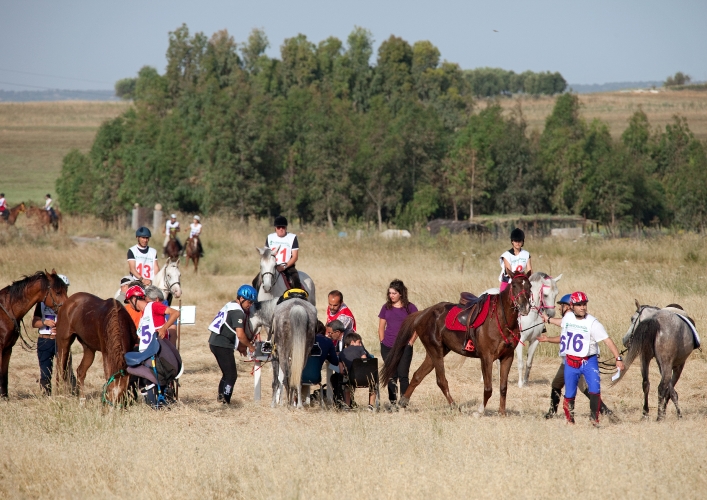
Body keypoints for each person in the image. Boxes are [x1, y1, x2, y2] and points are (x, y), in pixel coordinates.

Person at [540, 291, 625, 425]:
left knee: (594, 390)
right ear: (572, 306)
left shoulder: (593, 323)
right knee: (569, 394)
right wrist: (548, 320)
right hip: (570, 361)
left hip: (588, 361)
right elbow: (561, 323)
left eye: (584, 304)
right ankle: (570, 421)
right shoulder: (568, 318)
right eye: (579, 305)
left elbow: (607, 341)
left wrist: (618, 358)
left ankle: (594, 420)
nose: (583, 307)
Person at [207, 284, 258, 404]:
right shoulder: (238, 312)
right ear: (241, 299)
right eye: (249, 302)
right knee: (231, 375)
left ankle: (221, 397)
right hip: (222, 344)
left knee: (227, 373)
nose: (250, 305)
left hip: (215, 342)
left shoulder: (231, 304)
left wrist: (240, 346)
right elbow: (240, 334)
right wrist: (250, 346)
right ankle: (225, 400)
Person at [378, 279, 418, 406]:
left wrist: (411, 342)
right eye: (390, 293)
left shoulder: (410, 308)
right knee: (391, 375)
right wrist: (382, 341)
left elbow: (417, 327)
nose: (391, 296)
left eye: (394, 293)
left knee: (403, 375)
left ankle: (403, 404)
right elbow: (381, 327)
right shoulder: (386, 307)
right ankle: (392, 403)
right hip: (387, 346)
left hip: (404, 347)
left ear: (401, 293)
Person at [31, 274, 71, 395]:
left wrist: (61, 329)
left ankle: (70, 394)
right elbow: (34, 322)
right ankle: (46, 397)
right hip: (45, 341)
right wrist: (45, 322)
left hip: (61, 341)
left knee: (67, 370)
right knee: (45, 372)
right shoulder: (42, 303)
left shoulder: (68, 305)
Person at [125, 286, 180, 352]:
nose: (130, 306)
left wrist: (164, 328)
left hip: (158, 351)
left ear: (134, 299)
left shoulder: (153, 306)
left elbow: (175, 313)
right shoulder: (143, 314)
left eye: (129, 302)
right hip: (145, 352)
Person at [339, 333, 376, 410]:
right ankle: (371, 405)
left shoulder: (342, 353)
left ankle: (347, 406)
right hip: (364, 378)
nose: (360, 344)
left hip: (351, 379)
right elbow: (364, 361)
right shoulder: (360, 349)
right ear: (352, 342)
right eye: (359, 342)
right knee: (373, 385)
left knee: (347, 387)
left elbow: (341, 371)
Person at [265, 215, 302, 289]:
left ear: (286, 227)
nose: (281, 229)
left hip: (287, 266)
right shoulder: (269, 237)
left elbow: (295, 256)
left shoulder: (292, 237)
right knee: (256, 281)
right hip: (272, 266)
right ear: (275, 228)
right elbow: (266, 255)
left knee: (295, 279)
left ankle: (299, 297)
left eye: (283, 227)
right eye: (279, 227)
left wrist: (284, 266)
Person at [498, 228, 532, 292]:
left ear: (522, 242)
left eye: (519, 241)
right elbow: (509, 272)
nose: (518, 243)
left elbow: (530, 271)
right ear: (512, 241)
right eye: (516, 241)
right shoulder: (506, 255)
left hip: (522, 282)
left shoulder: (526, 254)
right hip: (508, 281)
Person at [325, 320, 347, 406]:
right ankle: (338, 400)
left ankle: (339, 401)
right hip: (343, 367)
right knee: (334, 377)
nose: (329, 335)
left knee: (335, 376)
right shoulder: (338, 341)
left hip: (352, 368)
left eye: (330, 333)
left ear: (337, 332)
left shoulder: (348, 337)